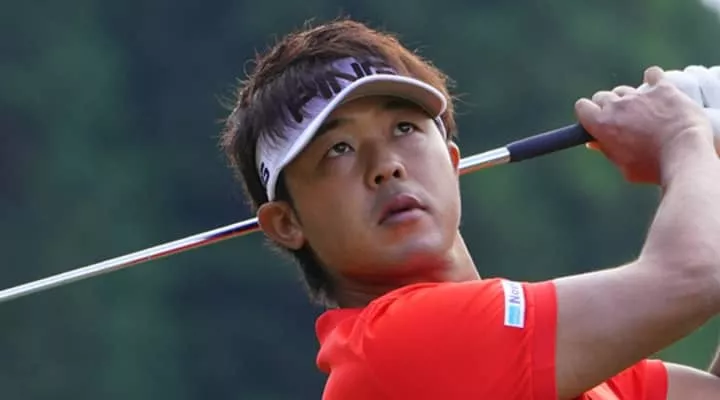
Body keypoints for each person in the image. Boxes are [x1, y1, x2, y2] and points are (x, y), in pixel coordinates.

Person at [221, 18, 720, 399]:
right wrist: (682, 136)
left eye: (404, 128)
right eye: (338, 150)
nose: (386, 166)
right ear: (286, 222)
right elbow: (692, 278)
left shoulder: (540, 355)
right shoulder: (394, 348)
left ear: (453, 161)